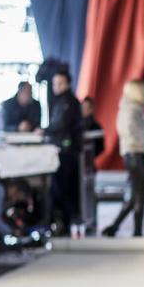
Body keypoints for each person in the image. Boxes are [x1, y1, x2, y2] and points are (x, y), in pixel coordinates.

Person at [103, 80, 144, 237]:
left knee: (137, 195)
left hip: (139, 152)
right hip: (134, 154)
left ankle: (115, 227)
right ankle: (135, 231)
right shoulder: (129, 110)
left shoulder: (138, 110)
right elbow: (130, 132)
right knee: (139, 195)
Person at [40, 72, 82, 231]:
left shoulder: (68, 102)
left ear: (68, 84)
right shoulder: (61, 101)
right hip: (63, 150)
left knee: (61, 188)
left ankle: (66, 222)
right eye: (54, 83)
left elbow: (61, 124)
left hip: (66, 152)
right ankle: (64, 222)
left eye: (60, 83)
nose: (56, 87)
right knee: (60, 188)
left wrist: (45, 131)